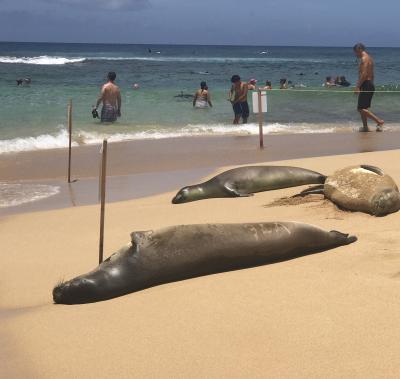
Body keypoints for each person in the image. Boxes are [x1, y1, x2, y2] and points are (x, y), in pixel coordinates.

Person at [353, 43, 384, 132]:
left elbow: (364, 74)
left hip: (366, 84)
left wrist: (357, 87)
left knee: (360, 109)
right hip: (368, 84)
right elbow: (371, 75)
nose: (355, 54)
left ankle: (379, 121)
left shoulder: (365, 58)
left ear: (359, 49)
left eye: (355, 52)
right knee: (364, 108)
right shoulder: (369, 58)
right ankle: (365, 127)